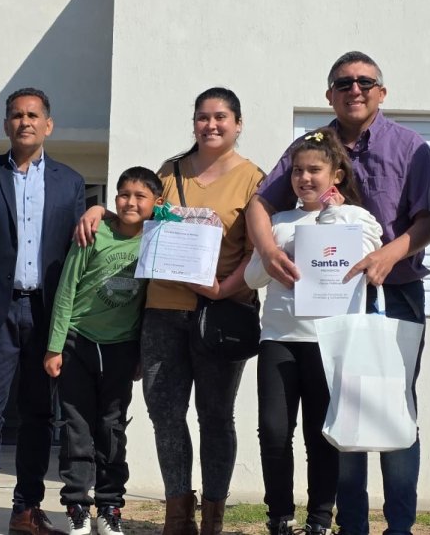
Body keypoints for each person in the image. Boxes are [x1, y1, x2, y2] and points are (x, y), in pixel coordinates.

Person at [247, 52, 430, 535]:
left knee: (392, 409)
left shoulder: (410, 146)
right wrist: (268, 249)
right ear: (329, 93)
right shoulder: (309, 146)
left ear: (381, 91)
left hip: (392, 295)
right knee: (341, 415)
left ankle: (399, 526)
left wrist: (387, 255)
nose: (355, 89)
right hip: (322, 309)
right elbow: (258, 202)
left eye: (365, 82)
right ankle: (348, 524)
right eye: (343, 82)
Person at [78, 87, 265, 535]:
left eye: (221, 117)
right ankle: (177, 515)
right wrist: (99, 208)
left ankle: (213, 517)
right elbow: (134, 212)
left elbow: (258, 253)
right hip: (162, 310)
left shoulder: (254, 179)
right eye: (203, 117)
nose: (211, 125)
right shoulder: (170, 172)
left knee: (216, 417)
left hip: (222, 314)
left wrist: (224, 289)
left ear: (238, 123)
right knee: (165, 414)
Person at [0, 87, 86, 535]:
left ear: (48, 124)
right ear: (6, 124)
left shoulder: (70, 182)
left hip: (48, 313)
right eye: (16, 115)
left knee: (38, 414)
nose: (24, 122)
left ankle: (27, 509)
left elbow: (79, 254)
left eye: (33, 115)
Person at [245, 128, 382, 535]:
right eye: (297, 171)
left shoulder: (357, 218)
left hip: (330, 341)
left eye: (315, 170)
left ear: (336, 174)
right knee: (273, 431)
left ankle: (320, 519)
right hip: (279, 340)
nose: (305, 178)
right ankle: (279, 516)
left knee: (320, 436)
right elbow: (254, 278)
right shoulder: (279, 222)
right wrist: (275, 253)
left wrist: (332, 215)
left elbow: (363, 265)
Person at [45, 167, 163, 535]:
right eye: (123, 194)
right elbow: (67, 289)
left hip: (122, 347)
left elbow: (180, 214)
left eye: (140, 196)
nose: (131, 202)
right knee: (77, 426)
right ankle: (77, 504)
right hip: (78, 341)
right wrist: (55, 346)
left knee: (112, 428)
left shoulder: (157, 238)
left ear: (156, 203)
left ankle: (110, 506)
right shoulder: (93, 234)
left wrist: (142, 352)